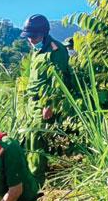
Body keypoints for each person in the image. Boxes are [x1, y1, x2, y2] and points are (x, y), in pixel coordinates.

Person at [21, 14, 71, 188]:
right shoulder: (37, 51)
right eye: (28, 37)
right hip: (31, 103)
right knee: (28, 139)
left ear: (44, 33)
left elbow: (58, 80)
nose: (30, 40)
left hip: (43, 104)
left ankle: (35, 182)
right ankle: (29, 176)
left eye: (33, 36)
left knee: (37, 141)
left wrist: (49, 104)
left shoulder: (55, 51)